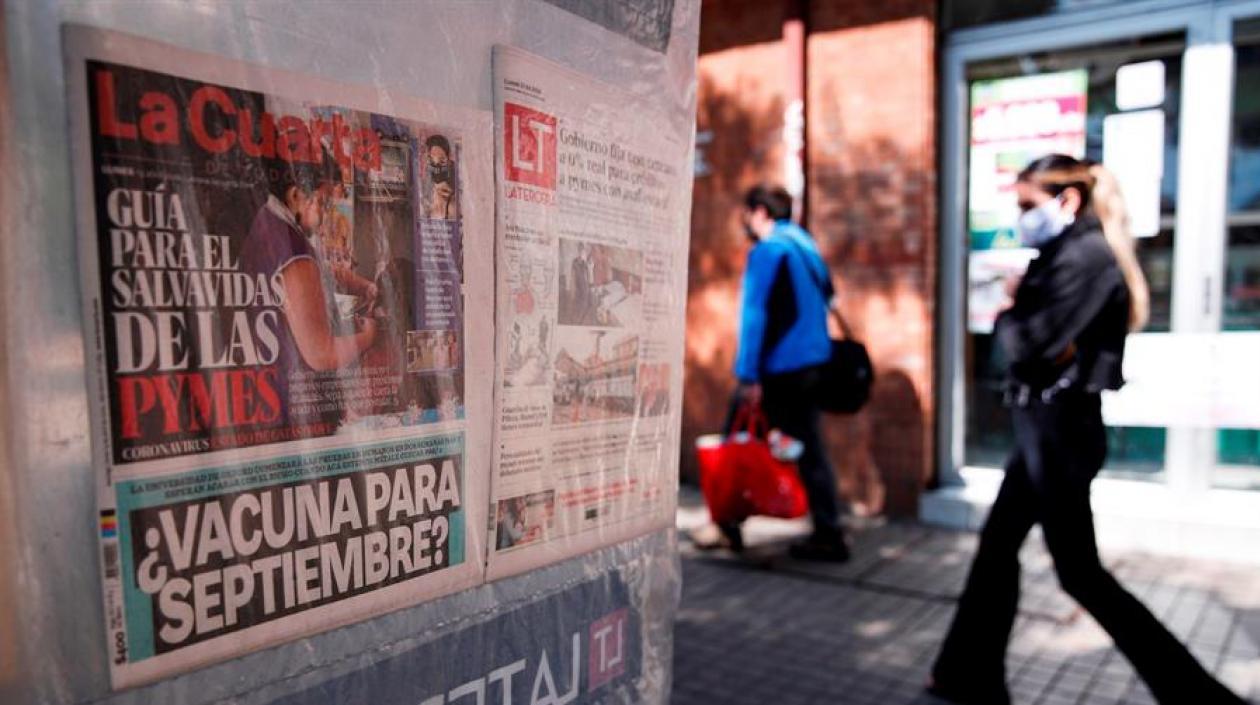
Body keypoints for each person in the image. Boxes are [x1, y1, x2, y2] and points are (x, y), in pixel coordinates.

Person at [928, 155, 1247, 705]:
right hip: (1042, 433)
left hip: (1060, 435)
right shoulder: (1065, 255)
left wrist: (1007, 310)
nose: (1021, 216)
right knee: (998, 548)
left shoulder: (1086, 257)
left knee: (1080, 575)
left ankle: (1199, 696)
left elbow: (1029, 343)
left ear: (1067, 200)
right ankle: (966, 675)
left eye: (1028, 205)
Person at [724, 183, 849, 561]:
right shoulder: (806, 245)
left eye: (748, 213)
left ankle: (726, 523)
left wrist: (748, 375)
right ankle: (829, 531)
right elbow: (829, 295)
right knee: (810, 449)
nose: (746, 221)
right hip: (814, 364)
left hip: (781, 368)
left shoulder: (769, 250)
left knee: (735, 438)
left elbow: (754, 314)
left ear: (760, 212)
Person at [238, 155, 377, 430]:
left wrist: (363, 285)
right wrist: (369, 336)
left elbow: (320, 272)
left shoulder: (268, 223)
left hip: (264, 391)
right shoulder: (293, 249)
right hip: (295, 407)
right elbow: (321, 354)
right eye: (323, 203)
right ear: (296, 194)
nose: (326, 215)